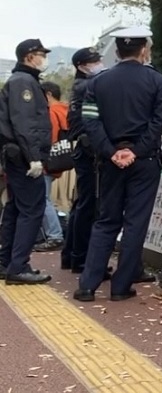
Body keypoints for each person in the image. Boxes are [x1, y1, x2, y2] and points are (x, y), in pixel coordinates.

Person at [74, 28, 162, 302]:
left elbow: (90, 121)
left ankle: (87, 285)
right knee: (135, 223)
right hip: (145, 161)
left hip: (109, 162)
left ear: (116, 53)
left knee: (106, 221)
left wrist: (111, 151)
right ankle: (121, 286)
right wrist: (136, 151)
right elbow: (158, 121)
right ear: (144, 50)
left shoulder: (97, 83)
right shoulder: (157, 81)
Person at [0, 39, 54, 284]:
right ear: (29, 56)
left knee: (15, 209)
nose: (44, 58)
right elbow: (24, 123)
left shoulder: (23, 81)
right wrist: (34, 158)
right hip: (24, 158)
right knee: (32, 210)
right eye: (41, 54)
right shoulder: (24, 82)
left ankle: (6, 261)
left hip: (16, 156)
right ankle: (18, 266)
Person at [61, 47, 105, 273]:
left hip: (83, 149)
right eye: (94, 61)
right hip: (89, 151)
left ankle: (71, 255)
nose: (99, 63)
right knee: (89, 205)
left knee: (82, 204)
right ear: (81, 66)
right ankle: (81, 258)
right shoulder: (88, 85)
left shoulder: (81, 85)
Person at [33, 81, 68, 252]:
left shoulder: (51, 112)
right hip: (60, 161)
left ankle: (54, 235)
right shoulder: (64, 110)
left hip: (48, 162)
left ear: (47, 94)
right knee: (44, 198)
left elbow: (49, 137)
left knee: (42, 199)